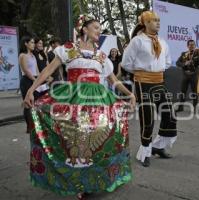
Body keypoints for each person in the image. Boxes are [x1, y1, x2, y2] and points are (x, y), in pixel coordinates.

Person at [23, 14, 135, 199]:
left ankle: (99, 177)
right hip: (74, 98)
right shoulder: (68, 49)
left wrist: (129, 93)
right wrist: (31, 90)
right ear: (85, 29)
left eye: (100, 28)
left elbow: (113, 80)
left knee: (104, 136)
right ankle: (77, 181)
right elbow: (48, 70)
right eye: (96, 27)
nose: (99, 31)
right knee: (74, 139)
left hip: (98, 100)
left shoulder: (101, 56)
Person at [122, 11, 177, 167]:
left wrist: (155, 72)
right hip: (142, 82)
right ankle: (145, 151)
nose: (158, 23)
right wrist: (141, 73)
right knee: (147, 118)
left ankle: (158, 147)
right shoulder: (137, 41)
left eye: (159, 20)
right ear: (145, 23)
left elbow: (167, 62)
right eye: (154, 20)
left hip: (159, 81)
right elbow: (126, 63)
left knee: (170, 115)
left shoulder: (163, 42)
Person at [19, 36, 41, 134]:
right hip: (26, 81)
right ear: (26, 44)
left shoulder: (32, 55)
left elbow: (36, 70)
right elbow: (26, 70)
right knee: (28, 104)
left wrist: (39, 79)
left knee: (35, 103)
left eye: (33, 42)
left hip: (34, 79)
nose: (33, 44)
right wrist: (35, 80)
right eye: (31, 42)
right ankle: (29, 126)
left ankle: (35, 124)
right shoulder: (22, 55)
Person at [176, 39, 199, 111]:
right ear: (188, 46)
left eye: (193, 45)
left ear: (195, 45)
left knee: (194, 92)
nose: (192, 46)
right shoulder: (183, 54)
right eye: (190, 45)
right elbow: (177, 63)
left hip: (194, 75)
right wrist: (185, 63)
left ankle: (195, 108)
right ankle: (180, 107)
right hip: (185, 75)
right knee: (182, 91)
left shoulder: (198, 53)